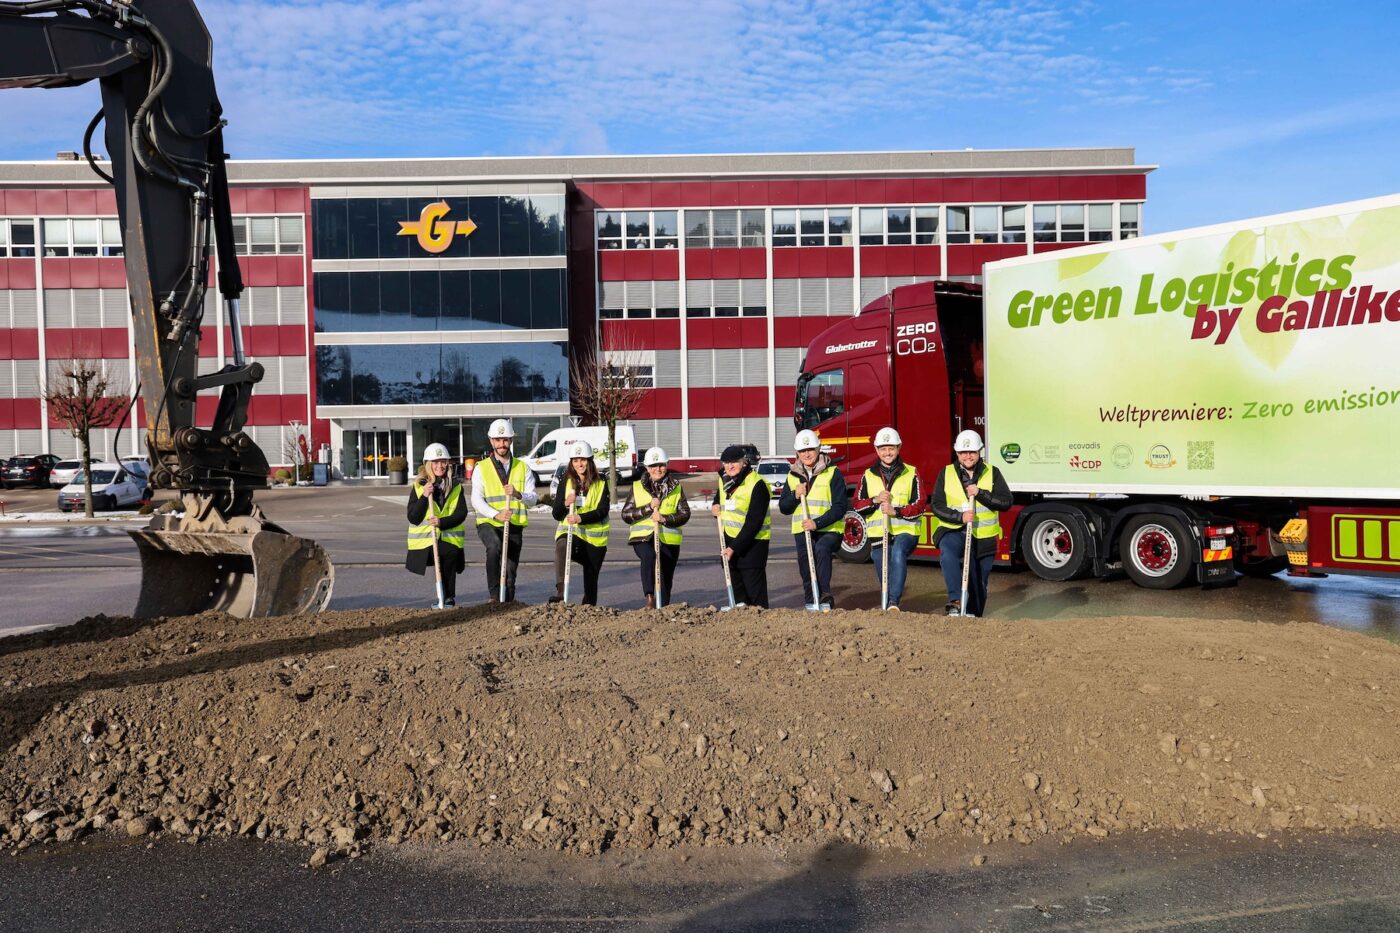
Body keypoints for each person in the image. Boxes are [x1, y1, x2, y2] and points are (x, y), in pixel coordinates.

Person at [929, 429, 1012, 617]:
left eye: (972, 452)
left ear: (980, 452)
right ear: (957, 453)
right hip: (953, 531)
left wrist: (980, 493)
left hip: (984, 537)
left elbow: (1006, 502)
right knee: (948, 554)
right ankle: (956, 600)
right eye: (963, 452)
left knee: (979, 582)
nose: (968, 456)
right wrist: (960, 517)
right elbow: (937, 505)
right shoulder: (946, 473)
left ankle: (974, 617)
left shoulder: (993, 472)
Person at [853, 427, 926, 611]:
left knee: (898, 552)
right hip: (879, 533)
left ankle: (893, 602)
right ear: (877, 450)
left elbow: (920, 504)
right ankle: (887, 602)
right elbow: (857, 505)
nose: (887, 452)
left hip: (906, 531)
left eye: (891, 448)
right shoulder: (868, 475)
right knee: (882, 566)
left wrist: (897, 511)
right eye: (883, 448)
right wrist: (875, 500)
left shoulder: (911, 472)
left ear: (899, 448)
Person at [778, 430, 846, 611]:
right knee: (806, 564)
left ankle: (824, 595)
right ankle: (810, 600)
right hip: (802, 530)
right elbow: (784, 508)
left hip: (829, 529)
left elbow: (840, 506)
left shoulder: (832, 472)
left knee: (821, 549)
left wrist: (817, 523)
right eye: (802, 451)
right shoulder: (792, 476)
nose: (807, 454)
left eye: (810, 449)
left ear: (818, 449)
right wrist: (795, 495)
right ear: (797, 453)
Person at [471, 418, 537, 603]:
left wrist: (518, 494)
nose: (502, 444)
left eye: (505, 439)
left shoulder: (523, 468)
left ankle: (506, 603)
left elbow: (533, 499)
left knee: (510, 569)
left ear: (511, 441)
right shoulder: (481, 468)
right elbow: (476, 499)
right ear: (491, 441)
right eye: (498, 440)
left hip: (514, 524)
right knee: (494, 548)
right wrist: (495, 514)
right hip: (489, 522)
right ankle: (493, 596)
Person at [621, 446, 690, 608]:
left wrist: (664, 518)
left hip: (668, 539)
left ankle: (663, 609)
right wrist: (648, 508)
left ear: (667, 464)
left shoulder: (676, 487)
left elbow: (685, 514)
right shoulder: (637, 487)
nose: (657, 469)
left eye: (661, 465)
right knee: (649, 556)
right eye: (653, 466)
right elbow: (626, 514)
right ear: (646, 468)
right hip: (642, 537)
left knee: (665, 576)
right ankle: (649, 596)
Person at [709, 444, 771, 608]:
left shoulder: (757, 484)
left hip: (752, 547)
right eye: (726, 462)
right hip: (729, 543)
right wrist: (715, 506)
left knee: (755, 598)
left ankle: (760, 628)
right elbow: (720, 500)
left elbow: (754, 522)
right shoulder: (724, 480)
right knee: (738, 598)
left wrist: (734, 548)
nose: (730, 466)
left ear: (744, 462)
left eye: (734, 462)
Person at [405, 443, 467, 607]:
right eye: (436, 462)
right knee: (441, 552)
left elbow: (461, 513)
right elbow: (413, 517)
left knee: (450, 552)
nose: (440, 466)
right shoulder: (419, 486)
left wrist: (441, 522)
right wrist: (425, 496)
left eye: (443, 462)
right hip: (425, 542)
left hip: (448, 537)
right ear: (428, 464)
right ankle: (443, 596)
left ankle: (447, 598)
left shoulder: (455, 486)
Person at [550, 441, 609, 605]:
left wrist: (581, 518)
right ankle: (561, 591)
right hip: (572, 533)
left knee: (591, 576)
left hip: (595, 540)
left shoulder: (601, 482)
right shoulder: (566, 481)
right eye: (575, 460)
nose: (579, 464)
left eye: (582, 459)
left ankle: (588, 609)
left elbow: (602, 510)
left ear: (590, 460)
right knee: (561, 545)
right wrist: (565, 504)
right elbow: (556, 514)